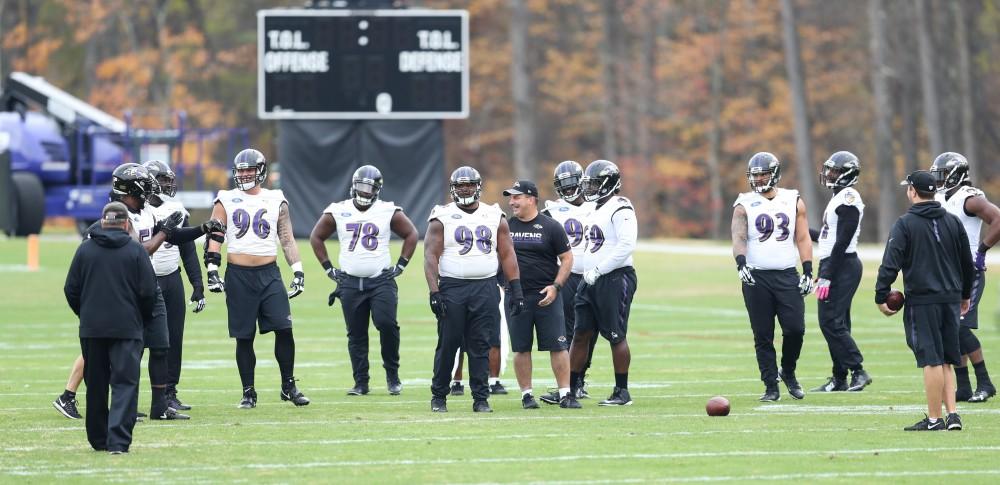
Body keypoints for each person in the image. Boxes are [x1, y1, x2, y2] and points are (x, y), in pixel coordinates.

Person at [55, 163, 212, 421]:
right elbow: (139, 250)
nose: (150, 189)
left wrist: (201, 229)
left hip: (147, 287)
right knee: (119, 350)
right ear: (131, 188)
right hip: (124, 292)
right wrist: (164, 232)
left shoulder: (145, 212)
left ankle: (159, 406)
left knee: (161, 345)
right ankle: (104, 401)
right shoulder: (117, 219)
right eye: (145, 184)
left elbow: (172, 237)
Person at [205, 148, 310, 408]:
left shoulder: (276, 198)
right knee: (244, 336)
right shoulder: (225, 199)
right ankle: (248, 392)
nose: (243, 174)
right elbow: (215, 236)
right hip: (239, 275)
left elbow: (286, 238)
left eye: (249, 169)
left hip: (269, 273)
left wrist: (297, 269)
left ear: (260, 171)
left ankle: (288, 386)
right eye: (240, 170)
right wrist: (212, 270)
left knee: (284, 329)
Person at [876, 170, 974, 431]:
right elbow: (967, 262)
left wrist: (880, 296)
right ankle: (953, 415)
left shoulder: (905, 224)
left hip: (923, 301)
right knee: (946, 360)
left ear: (912, 191)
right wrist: (965, 294)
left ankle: (934, 419)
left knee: (931, 359)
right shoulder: (953, 222)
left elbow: (890, 263)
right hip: (951, 298)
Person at [309, 165, 419, 396]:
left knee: (387, 325)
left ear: (377, 190)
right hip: (349, 282)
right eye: (360, 186)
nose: (364, 192)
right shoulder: (338, 210)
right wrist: (329, 269)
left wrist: (400, 265)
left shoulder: (387, 210)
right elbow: (316, 237)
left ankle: (392, 375)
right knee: (356, 334)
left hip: (380, 281)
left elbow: (412, 234)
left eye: (369, 188)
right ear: (352, 185)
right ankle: (361, 382)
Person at [425, 166, 524, 413]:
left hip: (485, 287)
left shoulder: (493, 214)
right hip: (453, 288)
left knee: (481, 345)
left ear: (478, 186)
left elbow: (507, 253)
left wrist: (516, 289)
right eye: (460, 186)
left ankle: (481, 398)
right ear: (453, 189)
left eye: (469, 185)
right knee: (448, 344)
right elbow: (430, 255)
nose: (465, 189)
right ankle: (439, 396)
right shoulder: (442, 215)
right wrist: (434, 291)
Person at [64, 201, 157, 454]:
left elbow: (71, 289)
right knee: (125, 384)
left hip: (92, 329)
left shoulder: (85, 250)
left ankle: (98, 439)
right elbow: (149, 292)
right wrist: (142, 318)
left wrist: (85, 314)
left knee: (95, 384)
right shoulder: (137, 251)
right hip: (127, 328)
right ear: (127, 224)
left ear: (103, 222)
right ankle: (118, 441)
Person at [731, 152, 813, 402]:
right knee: (763, 334)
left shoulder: (793, 199)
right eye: (755, 175)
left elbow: (802, 237)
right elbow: (739, 236)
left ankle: (787, 371)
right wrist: (741, 263)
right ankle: (770, 385)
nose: (758, 179)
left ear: (775, 173)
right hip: (756, 277)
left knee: (795, 329)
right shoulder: (744, 203)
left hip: (787, 274)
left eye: (763, 174)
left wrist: (808, 270)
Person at [502, 179, 578, 409]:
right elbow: (497, 258)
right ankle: (527, 395)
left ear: (531, 198)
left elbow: (567, 258)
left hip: (547, 296)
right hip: (517, 295)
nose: (512, 201)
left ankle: (565, 393)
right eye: (511, 197)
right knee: (521, 347)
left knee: (559, 345)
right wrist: (502, 285)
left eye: (517, 197)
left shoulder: (551, 226)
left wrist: (556, 286)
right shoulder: (505, 226)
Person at [568, 160, 638, 406]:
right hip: (591, 279)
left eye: (596, 183)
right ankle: (571, 387)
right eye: (589, 183)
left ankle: (622, 391)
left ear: (609, 184)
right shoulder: (591, 208)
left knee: (616, 335)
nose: (590, 188)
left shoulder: (621, 207)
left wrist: (598, 269)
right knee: (580, 334)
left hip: (615, 278)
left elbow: (626, 246)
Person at [931, 152, 1000, 403]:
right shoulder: (940, 197)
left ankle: (985, 382)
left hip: (967, 269)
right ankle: (963, 386)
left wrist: (982, 250)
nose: (938, 181)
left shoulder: (969, 199)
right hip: (946, 270)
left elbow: (998, 219)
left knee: (959, 326)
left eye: (942, 175)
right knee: (949, 327)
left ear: (956, 175)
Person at [143, 160, 206, 411]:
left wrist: (197, 283)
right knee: (137, 341)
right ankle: (127, 395)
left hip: (172, 277)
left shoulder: (176, 207)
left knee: (173, 339)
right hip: (145, 280)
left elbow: (187, 249)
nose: (168, 184)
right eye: (162, 179)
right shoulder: (139, 210)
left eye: (169, 179)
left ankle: (169, 392)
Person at [811, 151, 871, 392]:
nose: (829, 174)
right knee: (838, 322)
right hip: (836, 262)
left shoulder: (848, 197)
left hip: (842, 264)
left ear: (847, 174)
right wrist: (801, 231)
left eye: (834, 171)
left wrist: (827, 273)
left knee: (830, 322)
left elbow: (843, 241)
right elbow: (828, 237)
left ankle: (858, 371)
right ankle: (839, 377)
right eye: (829, 169)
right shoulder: (837, 197)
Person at [542, 161, 596, 398]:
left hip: (593, 275)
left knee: (589, 331)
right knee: (566, 332)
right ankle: (567, 385)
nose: (568, 188)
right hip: (565, 277)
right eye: (562, 184)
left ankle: (579, 381)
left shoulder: (598, 206)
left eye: (571, 182)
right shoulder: (552, 211)